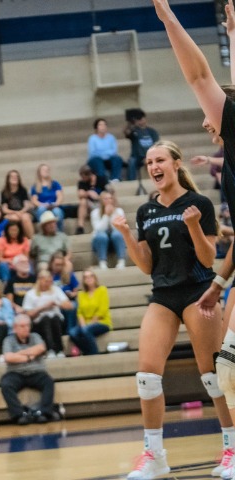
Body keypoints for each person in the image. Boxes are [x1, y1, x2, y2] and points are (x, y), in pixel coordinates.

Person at [112, 139, 233, 479]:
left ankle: (232, 449)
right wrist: (125, 235)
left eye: (160, 160)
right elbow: (148, 266)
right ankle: (154, 457)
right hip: (163, 296)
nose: (154, 167)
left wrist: (194, 225)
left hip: (199, 293)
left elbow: (209, 258)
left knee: (212, 377)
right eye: (149, 162)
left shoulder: (198, 203)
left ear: (176, 163)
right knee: (147, 378)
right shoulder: (147, 211)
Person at [0, 314, 55, 425]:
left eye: (28, 326)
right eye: (22, 326)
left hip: (36, 372)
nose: (26, 328)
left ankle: (43, 413)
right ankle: (19, 415)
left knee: (48, 382)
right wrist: (30, 356)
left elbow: (41, 348)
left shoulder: (35, 336)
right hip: (16, 373)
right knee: (5, 384)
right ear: (15, 327)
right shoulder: (9, 340)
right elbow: (8, 357)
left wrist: (19, 354)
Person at [21, 270, 72, 358]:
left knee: (55, 318)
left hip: (57, 319)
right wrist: (43, 307)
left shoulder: (56, 290)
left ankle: (59, 349)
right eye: (46, 281)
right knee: (46, 319)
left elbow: (69, 306)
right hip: (39, 322)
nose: (48, 283)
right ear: (40, 280)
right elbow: (28, 314)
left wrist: (57, 303)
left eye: (49, 281)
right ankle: (50, 349)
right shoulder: (31, 294)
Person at [69, 269, 112, 356]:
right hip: (86, 324)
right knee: (72, 332)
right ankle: (88, 352)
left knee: (86, 330)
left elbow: (102, 310)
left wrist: (89, 324)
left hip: (102, 322)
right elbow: (79, 312)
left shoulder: (102, 290)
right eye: (86, 277)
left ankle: (94, 354)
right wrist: (83, 324)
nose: (88, 279)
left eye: (91, 276)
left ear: (95, 278)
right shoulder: (81, 294)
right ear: (83, 281)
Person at [91, 190, 127, 270]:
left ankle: (121, 261)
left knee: (117, 234)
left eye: (110, 198)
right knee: (101, 235)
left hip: (115, 240)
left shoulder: (119, 211)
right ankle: (102, 262)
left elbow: (119, 228)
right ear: (101, 200)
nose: (108, 200)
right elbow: (98, 229)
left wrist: (112, 215)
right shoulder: (95, 212)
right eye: (105, 199)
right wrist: (106, 215)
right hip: (100, 241)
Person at [124, 109, 160, 181]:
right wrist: (130, 123)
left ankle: (156, 179)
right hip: (137, 157)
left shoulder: (152, 132)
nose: (140, 121)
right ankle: (131, 181)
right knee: (131, 161)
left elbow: (156, 145)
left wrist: (148, 157)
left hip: (150, 155)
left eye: (141, 119)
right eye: (138, 119)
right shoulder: (134, 131)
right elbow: (127, 133)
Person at [48, 252, 79, 331]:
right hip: (53, 302)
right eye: (56, 264)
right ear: (51, 264)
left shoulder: (68, 274)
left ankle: (70, 330)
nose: (59, 267)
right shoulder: (47, 276)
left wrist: (72, 294)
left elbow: (76, 291)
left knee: (73, 305)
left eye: (61, 265)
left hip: (67, 300)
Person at [87, 118, 124, 183]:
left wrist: (103, 153)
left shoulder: (111, 137)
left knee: (117, 159)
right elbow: (93, 153)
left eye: (104, 125)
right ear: (96, 128)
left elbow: (114, 151)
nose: (103, 127)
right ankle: (103, 180)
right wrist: (105, 154)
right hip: (97, 160)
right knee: (97, 160)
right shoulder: (92, 138)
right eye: (100, 125)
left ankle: (115, 178)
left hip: (109, 159)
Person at [0, 170, 35, 238]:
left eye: (16, 176)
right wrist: (16, 213)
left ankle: (31, 239)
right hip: (12, 214)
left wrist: (20, 212)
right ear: (8, 179)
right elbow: (4, 209)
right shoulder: (4, 192)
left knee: (25, 218)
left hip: (24, 212)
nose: (14, 178)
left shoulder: (23, 190)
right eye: (12, 176)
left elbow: (27, 205)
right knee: (11, 217)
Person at [75, 165, 108, 235]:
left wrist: (99, 197)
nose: (82, 178)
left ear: (90, 174)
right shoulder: (82, 183)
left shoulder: (101, 179)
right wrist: (89, 193)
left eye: (84, 176)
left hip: (101, 203)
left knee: (107, 200)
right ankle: (80, 227)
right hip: (89, 205)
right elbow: (80, 194)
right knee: (83, 201)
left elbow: (109, 192)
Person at [30, 164, 65, 231]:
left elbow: (60, 196)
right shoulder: (35, 186)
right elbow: (34, 200)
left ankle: (59, 232)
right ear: (39, 172)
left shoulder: (54, 184)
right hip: (42, 206)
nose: (46, 171)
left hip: (53, 205)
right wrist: (43, 205)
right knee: (41, 210)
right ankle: (45, 231)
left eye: (47, 170)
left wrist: (55, 204)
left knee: (58, 212)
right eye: (43, 170)